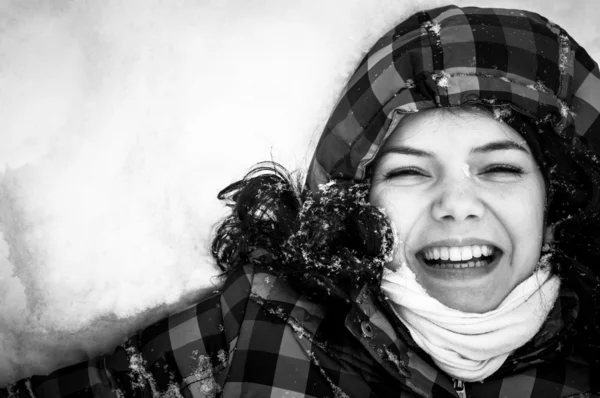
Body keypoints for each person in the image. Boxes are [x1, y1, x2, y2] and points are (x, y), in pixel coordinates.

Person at [2, 4, 599, 397]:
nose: (456, 205)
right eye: (410, 174)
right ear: (356, 206)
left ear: (557, 200)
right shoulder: (267, 320)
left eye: (498, 168)